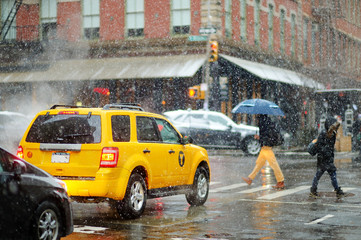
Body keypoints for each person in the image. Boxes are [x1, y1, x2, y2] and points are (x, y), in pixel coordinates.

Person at [242, 114, 285, 189]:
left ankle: (280, 181)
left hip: (266, 146)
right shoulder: (264, 120)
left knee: (274, 164)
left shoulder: (263, 121)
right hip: (265, 146)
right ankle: (250, 178)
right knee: (259, 163)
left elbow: (267, 135)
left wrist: (259, 137)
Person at [309, 116, 345, 198]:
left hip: (328, 159)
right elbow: (320, 147)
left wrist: (329, 154)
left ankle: (337, 190)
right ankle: (313, 190)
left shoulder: (333, 134)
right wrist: (326, 152)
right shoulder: (323, 134)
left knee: (332, 175)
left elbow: (330, 147)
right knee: (319, 175)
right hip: (323, 159)